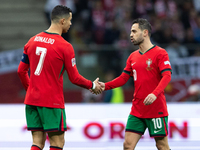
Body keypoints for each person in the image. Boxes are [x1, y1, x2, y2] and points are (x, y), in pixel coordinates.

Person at [17, 5, 102, 150]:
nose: (71, 24)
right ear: (62, 21)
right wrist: (92, 86)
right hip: (51, 102)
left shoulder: (32, 41)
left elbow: (21, 71)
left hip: (32, 100)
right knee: (57, 143)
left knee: (37, 142)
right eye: (70, 20)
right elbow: (74, 78)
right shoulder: (65, 46)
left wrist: (31, 89)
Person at [98, 18, 172, 150]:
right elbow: (123, 78)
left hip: (156, 109)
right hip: (137, 110)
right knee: (128, 145)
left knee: (162, 145)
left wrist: (155, 94)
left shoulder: (160, 53)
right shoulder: (132, 56)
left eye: (134, 31)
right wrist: (105, 86)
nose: (130, 35)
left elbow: (167, 76)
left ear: (145, 32)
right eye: (130, 32)